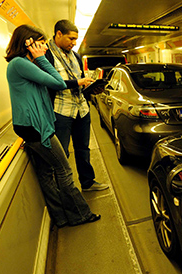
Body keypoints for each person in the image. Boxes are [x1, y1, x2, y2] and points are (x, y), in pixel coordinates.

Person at [5, 24, 101, 227]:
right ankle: (79, 215)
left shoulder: (24, 64)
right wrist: (40, 58)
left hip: (33, 125)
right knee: (64, 169)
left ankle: (60, 217)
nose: (45, 48)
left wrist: (38, 59)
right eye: (40, 44)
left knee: (46, 172)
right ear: (27, 44)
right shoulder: (20, 64)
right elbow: (58, 82)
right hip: (36, 127)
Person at [45, 19, 109, 192]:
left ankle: (87, 182)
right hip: (61, 111)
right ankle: (65, 190)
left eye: (75, 39)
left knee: (83, 149)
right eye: (71, 39)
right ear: (59, 34)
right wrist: (78, 82)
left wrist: (90, 89)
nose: (74, 43)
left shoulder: (76, 56)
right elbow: (50, 83)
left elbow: (80, 83)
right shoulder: (47, 55)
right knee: (62, 153)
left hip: (81, 109)